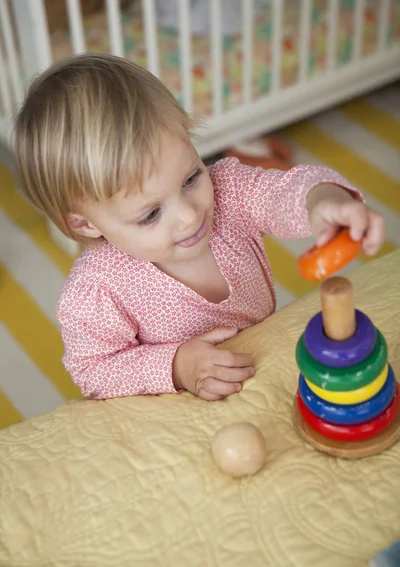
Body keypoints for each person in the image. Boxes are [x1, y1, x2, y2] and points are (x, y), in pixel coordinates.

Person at [14, 54, 385, 402]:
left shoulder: (228, 191)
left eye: (191, 177)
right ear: (86, 224)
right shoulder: (96, 291)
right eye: (150, 215)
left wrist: (321, 199)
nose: (190, 216)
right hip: (182, 409)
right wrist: (177, 367)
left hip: (264, 364)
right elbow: (94, 370)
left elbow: (280, 192)